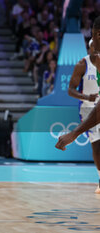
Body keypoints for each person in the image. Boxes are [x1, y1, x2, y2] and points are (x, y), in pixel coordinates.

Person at [55, 16, 100, 193]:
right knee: (96, 144)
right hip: (89, 106)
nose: (94, 50)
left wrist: (73, 134)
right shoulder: (83, 63)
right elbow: (70, 90)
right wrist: (87, 97)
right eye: (92, 48)